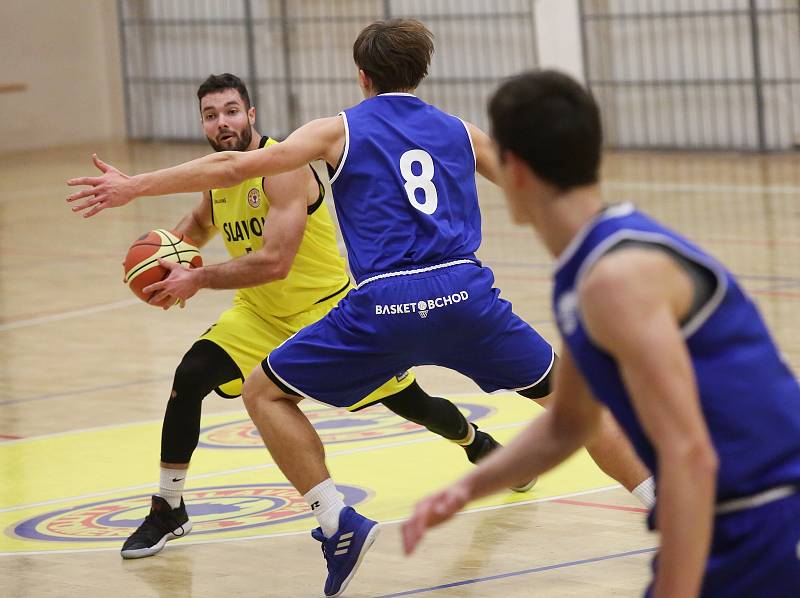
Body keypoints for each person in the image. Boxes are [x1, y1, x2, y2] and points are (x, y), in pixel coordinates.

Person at [67, 23, 651, 597]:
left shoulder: (335, 132)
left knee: (264, 394)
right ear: (421, 72)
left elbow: (231, 168)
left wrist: (133, 186)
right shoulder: (461, 132)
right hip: (465, 297)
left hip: (382, 306)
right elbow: (542, 195)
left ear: (363, 75)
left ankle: (337, 521)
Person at [402, 70, 800, 597]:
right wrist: (467, 487)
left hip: (762, 514)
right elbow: (569, 423)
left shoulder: (614, 280)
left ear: (513, 169)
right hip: (742, 513)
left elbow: (689, 454)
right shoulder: (594, 264)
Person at [94, 73, 515, 561]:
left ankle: (474, 442)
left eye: (231, 111)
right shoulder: (219, 182)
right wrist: (168, 263)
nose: (222, 122)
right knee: (189, 377)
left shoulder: (283, 167)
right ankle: (168, 506)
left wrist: (199, 279)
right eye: (211, 115)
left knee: (412, 403)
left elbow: (276, 262)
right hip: (258, 315)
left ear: (251, 115)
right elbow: (194, 226)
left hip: (326, 313)